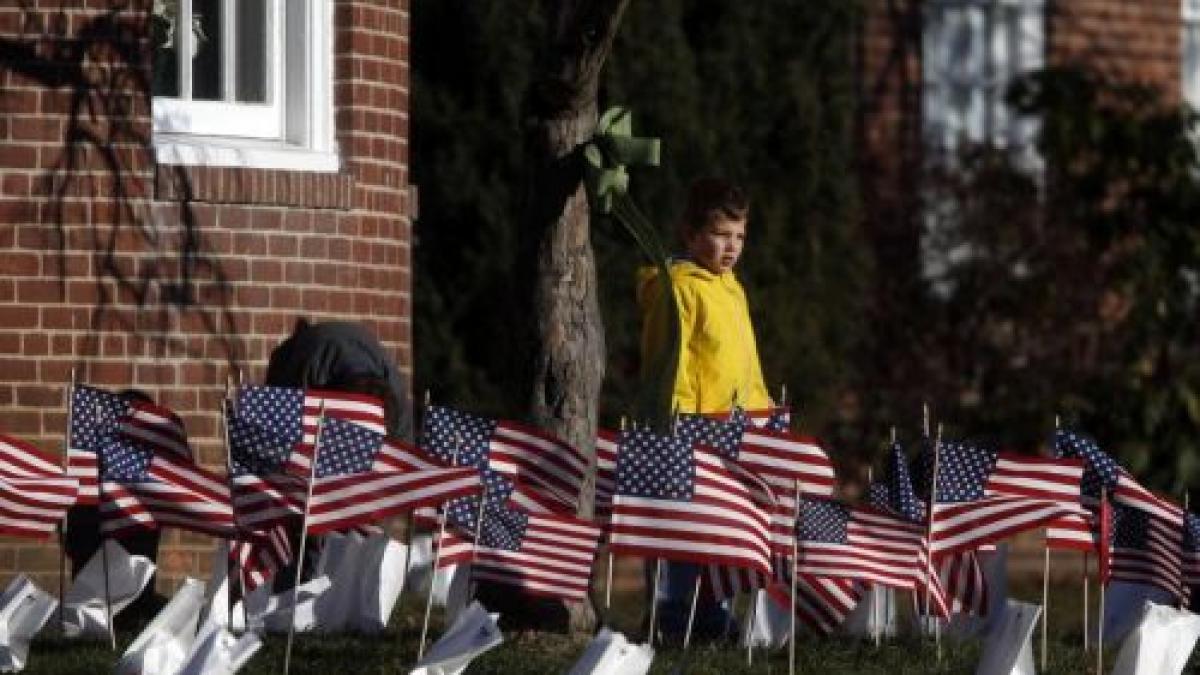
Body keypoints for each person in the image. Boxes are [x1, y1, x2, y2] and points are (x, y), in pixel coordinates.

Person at [636, 177, 772, 641]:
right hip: (689, 431)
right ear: (691, 234)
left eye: (740, 236)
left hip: (735, 431)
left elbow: (747, 364)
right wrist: (671, 425)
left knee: (723, 530)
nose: (731, 247)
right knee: (684, 531)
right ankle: (676, 619)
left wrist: (763, 413)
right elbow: (665, 362)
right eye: (720, 234)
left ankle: (713, 618)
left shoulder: (733, 289)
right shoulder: (677, 288)